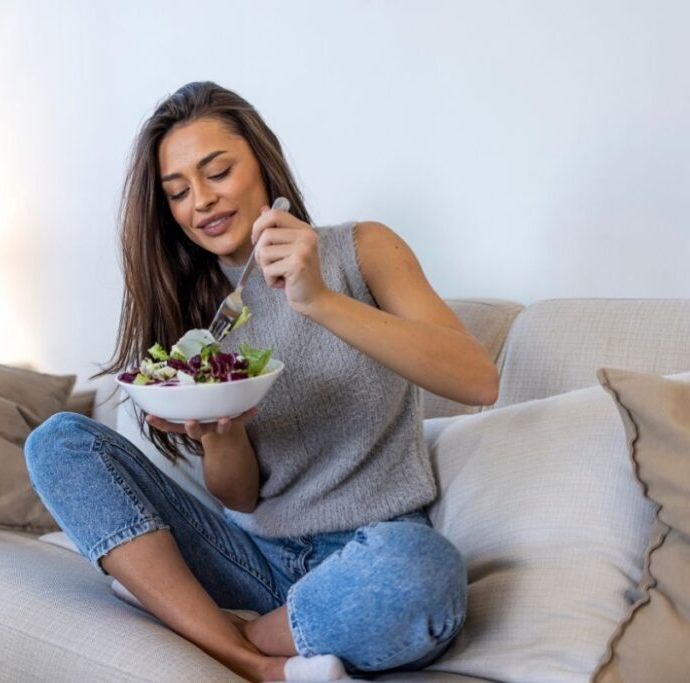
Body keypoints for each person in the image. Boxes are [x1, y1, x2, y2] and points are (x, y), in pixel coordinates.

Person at [24, 81, 499, 682]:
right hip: (249, 557)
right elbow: (240, 498)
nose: (200, 201)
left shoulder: (362, 250)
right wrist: (217, 433)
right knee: (59, 441)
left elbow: (477, 379)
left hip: (369, 555)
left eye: (217, 171)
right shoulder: (197, 310)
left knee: (424, 572)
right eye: (177, 192)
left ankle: (222, 631)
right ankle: (255, 663)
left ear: (260, 162)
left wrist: (318, 299)